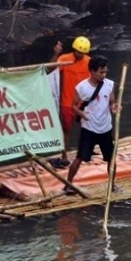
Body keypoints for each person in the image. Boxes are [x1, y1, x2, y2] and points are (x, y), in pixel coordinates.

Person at [65, 55, 119, 194]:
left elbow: (112, 102)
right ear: (92, 71)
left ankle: (112, 185)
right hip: (89, 128)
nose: (104, 75)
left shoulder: (109, 84)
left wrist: (115, 108)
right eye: (101, 72)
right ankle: (68, 184)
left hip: (105, 128)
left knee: (111, 159)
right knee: (80, 157)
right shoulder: (82, 87)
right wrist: (81, 114)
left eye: (105, 72)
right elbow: (73, 106)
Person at [49, 36, 91, 167]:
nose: (80, 55)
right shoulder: (65, 59)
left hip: (83, 102)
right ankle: (64, 155)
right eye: (78, 52)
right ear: (74, 49)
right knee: (66, 129)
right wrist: (56, 54)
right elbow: (52, 69)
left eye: (83, 53)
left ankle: (83, 152)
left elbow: (96, 79)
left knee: (86, 128)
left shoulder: (89, 62)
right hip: (67, 102)